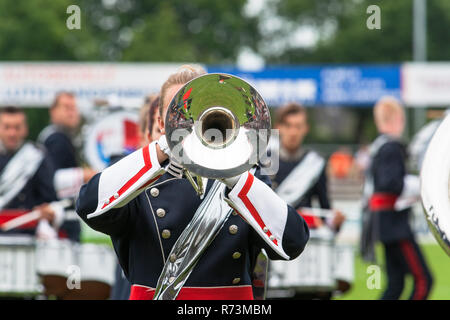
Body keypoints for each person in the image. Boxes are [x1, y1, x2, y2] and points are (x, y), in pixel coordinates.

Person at [76, 65, 310, 300]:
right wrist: (161, 151)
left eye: (196, 112)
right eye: (177, 114)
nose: (188, 122)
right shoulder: (139, 176)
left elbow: (293, 242)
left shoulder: (246, 176)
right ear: (161, 122)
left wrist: (236, 176)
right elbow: (88, 205)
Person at [366, 96, 433, 300]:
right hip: (396, 226)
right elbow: (392, 184)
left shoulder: (378, 147)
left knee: (395, 284)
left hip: (384, 224)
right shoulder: (392, 147)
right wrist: (418, 185)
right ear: (398, 119)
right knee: (423, 280)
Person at [271, 103, 345, 231]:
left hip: (301, 238)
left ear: (306, 128)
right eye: (288, 126)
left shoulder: (315, 163)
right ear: (278, 127)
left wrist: (336, 221)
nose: (293, 132)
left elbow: (325, 212)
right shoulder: (265, 160)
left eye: (298, 126)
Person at [38, 92, 96, 242]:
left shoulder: (56, 137)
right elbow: (54, 179)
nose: (72, 113)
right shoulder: (57, 139)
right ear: (53, 111)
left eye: (74, 108)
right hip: (60, 221)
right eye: (66, 107)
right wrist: (88, 175)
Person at [0, 106, 61, 236]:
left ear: (25, 129)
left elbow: (50, 199)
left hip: (27, 235)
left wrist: (47, 210)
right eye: (7, 127)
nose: (12, 133)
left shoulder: (36, 157)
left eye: (17, 127)